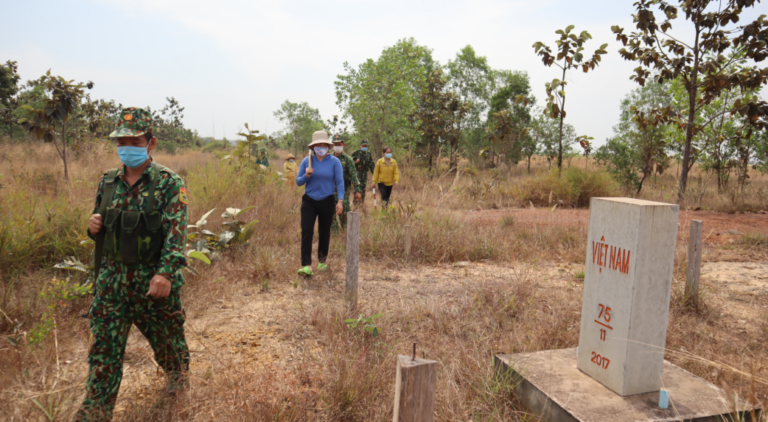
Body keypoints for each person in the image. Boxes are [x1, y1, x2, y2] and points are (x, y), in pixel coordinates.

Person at [74, 107, 189, 421]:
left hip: (154, 286)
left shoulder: (168, 183)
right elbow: (101, 225)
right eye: (121, 141)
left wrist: (165, 273)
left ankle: (178, 379)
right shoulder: (107, 182)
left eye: (134, 141)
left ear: (150, 143)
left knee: (169, 344)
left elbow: (177, 233)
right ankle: (94, 414)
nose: (127, 146)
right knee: (103, 357)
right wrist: (93, 226)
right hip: (112, 286)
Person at [295, 131, 344, 277]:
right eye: (318, 145)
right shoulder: (307, 161)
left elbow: (340, 183)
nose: (321, 147)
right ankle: (307, 265)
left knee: (324, 231)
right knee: (307, 231)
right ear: (313, 147)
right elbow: (298, 182)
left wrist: (340, 201)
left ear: (328, 147)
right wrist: (306, 175)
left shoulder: (335, 162)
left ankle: (322, 261)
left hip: (327, 199)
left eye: (324, 145)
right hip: (309, 200)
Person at [330, 135, 362, 232]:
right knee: (331, 215)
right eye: (336, 144)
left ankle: (346, 234)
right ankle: (335, 235)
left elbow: (353, 176)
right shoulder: (329, 158)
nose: (338, 146)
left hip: (343, 192)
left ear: (343, 145)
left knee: (345, 214)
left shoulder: (348, 159)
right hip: (330, 191)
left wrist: (357, 190)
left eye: (339, 144)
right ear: (332, 145)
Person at [351, 139, 375, 206]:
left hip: (364, 174)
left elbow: (371, 165)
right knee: (357, 189)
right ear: (360, 145)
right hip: (357, 174)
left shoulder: (368, 154)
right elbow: (349, 162)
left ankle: (361, 204)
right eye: (363, 145)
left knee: (363, 190)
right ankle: (355, 204)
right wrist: (355, 161)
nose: (365, 147)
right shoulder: (356, 153)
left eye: (366, 145)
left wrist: (375, 174)